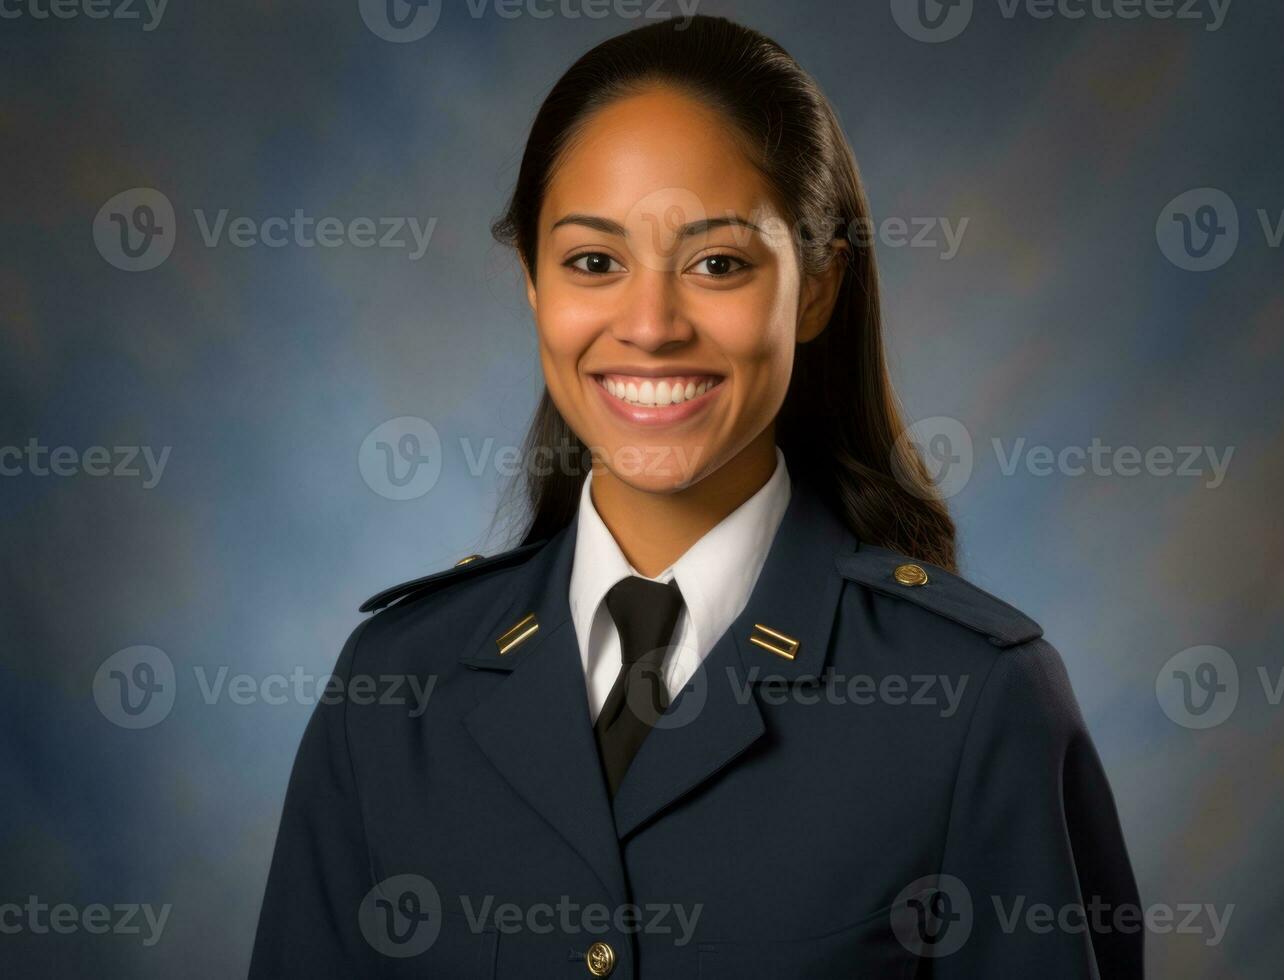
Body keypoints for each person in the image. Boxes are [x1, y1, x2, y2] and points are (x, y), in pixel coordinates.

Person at [250, 15, 1141, 979]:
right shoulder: (393, 692)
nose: (650, 326)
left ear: (816, 287)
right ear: (532, 286)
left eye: (718, 263)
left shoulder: (973, 700)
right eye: (594, 262)